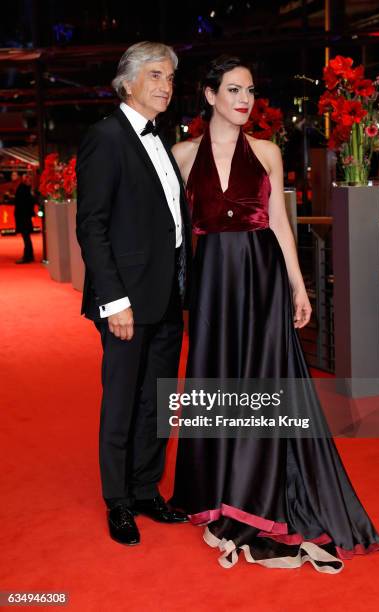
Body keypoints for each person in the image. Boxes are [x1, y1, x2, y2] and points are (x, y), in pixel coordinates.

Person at [169, 56, 379, 572]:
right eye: (232, 90)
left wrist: (298, 286)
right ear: (208, 96)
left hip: (261, 278)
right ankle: (217, 490)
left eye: (249, 89)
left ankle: (259, 491)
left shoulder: (267, 152)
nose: (244, 99)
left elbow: (279, 225)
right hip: (211, 286)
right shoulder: (182, 155)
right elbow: (172, 231)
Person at [76, 42, 191, 546]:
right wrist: (113, 299)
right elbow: (92, 226)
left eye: (169, 77)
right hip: (126, 300)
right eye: (156, 76)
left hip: (167, 294)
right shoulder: (107, 137)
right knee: (122, 402)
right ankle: (118, 501)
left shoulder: (159, 139)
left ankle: (146, 489)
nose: (166, 85)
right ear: (127, 82)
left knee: (158, 401)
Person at [14, 173, 35, 264]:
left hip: (23, 217)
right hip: (25, 217)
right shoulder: (26, 189)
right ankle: (29, 255)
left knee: (26, 237)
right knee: (26, 237)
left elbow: (21, 203)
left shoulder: (23, 189)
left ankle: (27, 256)